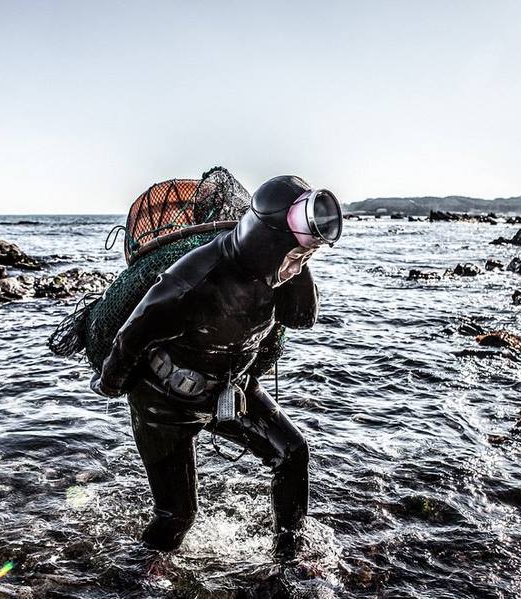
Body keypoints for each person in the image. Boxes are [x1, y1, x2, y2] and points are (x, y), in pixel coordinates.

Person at [95, 175, 342, 559]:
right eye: (292, 258)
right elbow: (131, 338)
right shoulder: (193, 280)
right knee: (177, 515)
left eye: (303, 260)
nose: (294, 268)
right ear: (265, 241)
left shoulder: (280, 272)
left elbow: (303, 317)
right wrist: (111, 383)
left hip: (231, 389)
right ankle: (140, 572)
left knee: (292, 453)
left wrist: (299, 258)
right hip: (164, 401)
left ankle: (289, 556)